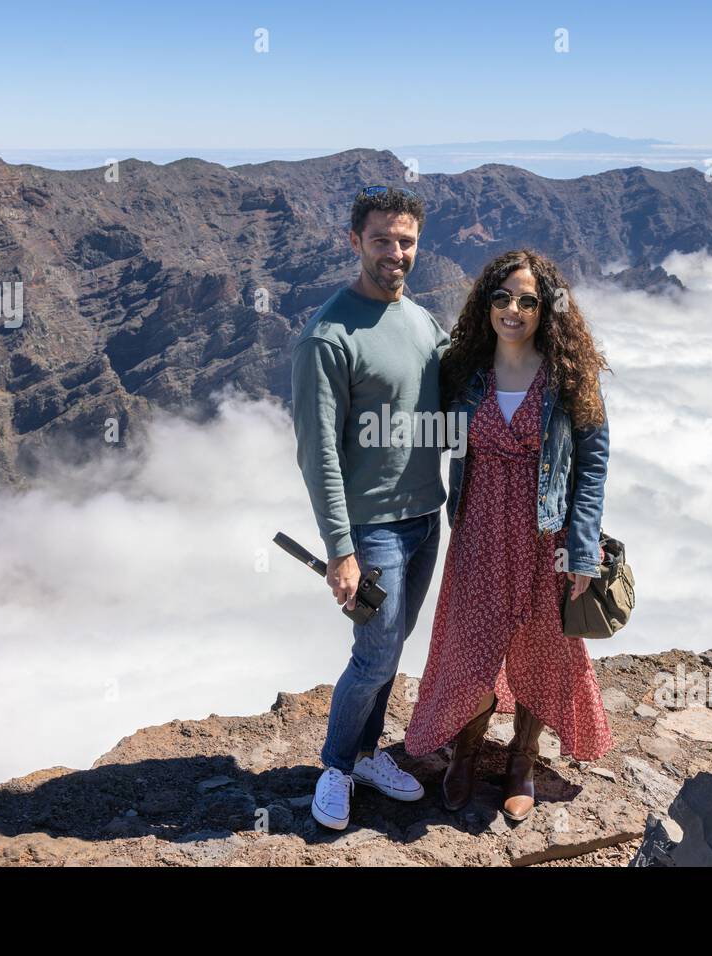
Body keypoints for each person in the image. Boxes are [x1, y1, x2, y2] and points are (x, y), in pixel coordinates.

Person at [403, 248, 615, 822]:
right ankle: (466, 751)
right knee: (470, 648)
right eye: (502, 298)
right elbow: (415, 417)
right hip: (478, 531)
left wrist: (581, 545)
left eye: (527, 300)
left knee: (545, 648)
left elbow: (592, 463)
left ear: (546, 308)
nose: (513, 310)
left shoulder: (568, 375)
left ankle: (522, 758)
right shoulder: (467, 372)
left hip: (547, 533)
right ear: (486, 304)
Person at [290, 185, 448, 831]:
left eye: (406, 240)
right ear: (355, 242)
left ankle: (364, 752)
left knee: (394, 644)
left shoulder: (424, 323)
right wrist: (340, 550)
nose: (396, 252)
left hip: (424, 519)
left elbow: (451, 411)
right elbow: (317, 453)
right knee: (376, 655)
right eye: (381, 239)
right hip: (372, 527)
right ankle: (334, 765)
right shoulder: (327, 337)